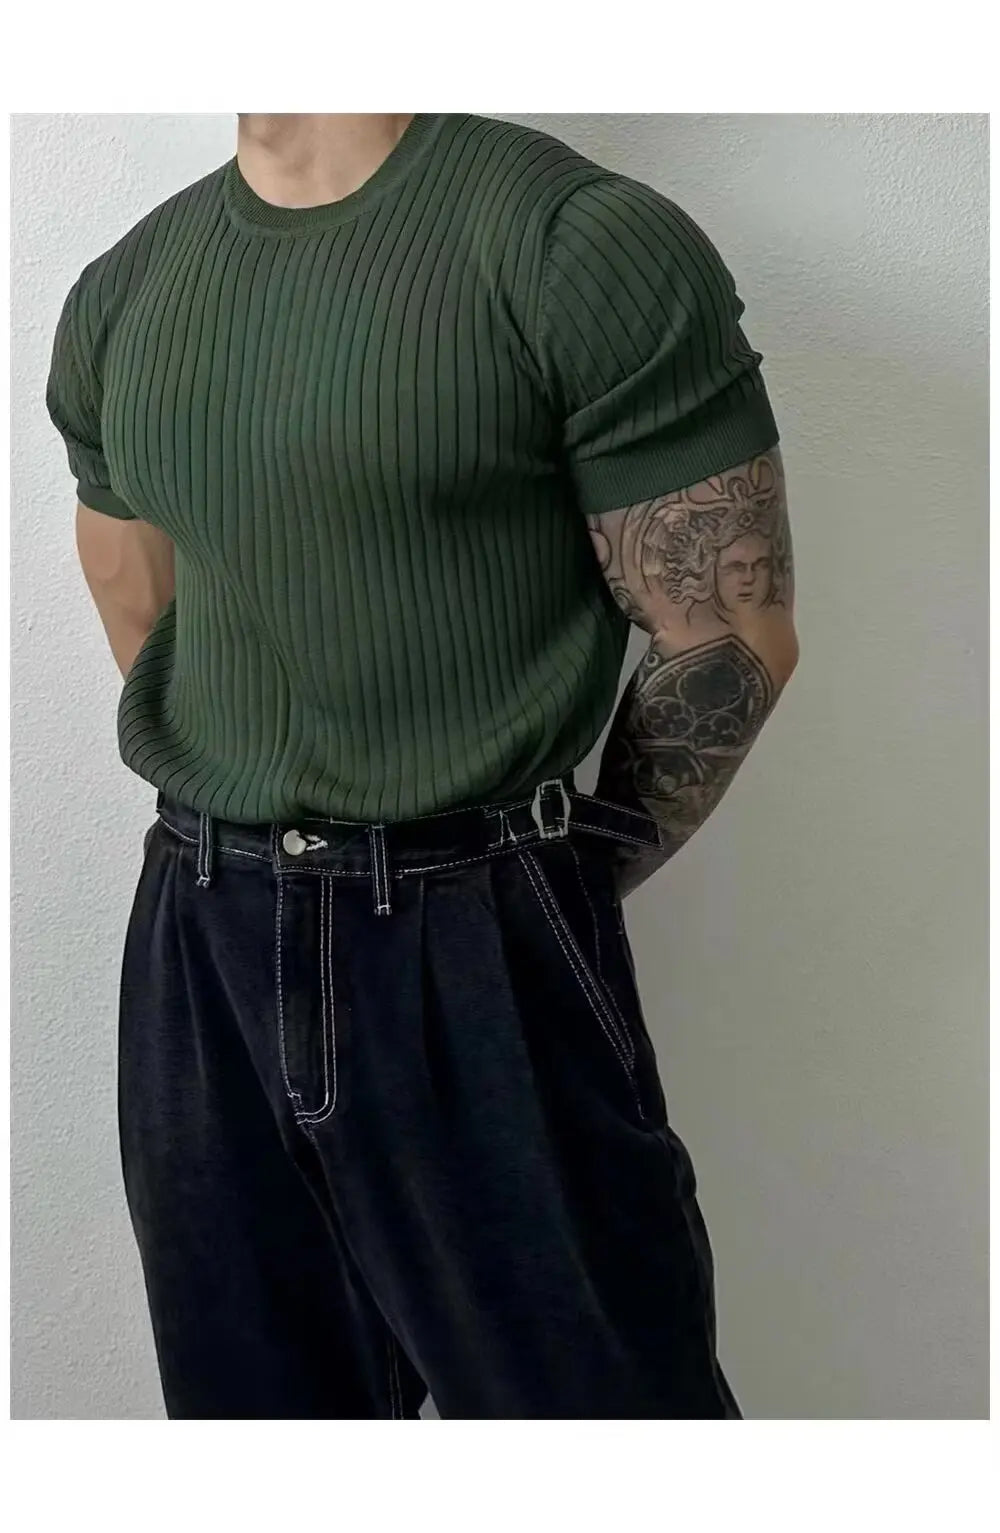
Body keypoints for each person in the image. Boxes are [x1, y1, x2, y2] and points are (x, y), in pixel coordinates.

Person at [45, 111, 798, 1420]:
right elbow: (140, 601)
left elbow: (731, 636)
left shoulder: (578, 246)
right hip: (203, 939)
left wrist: (542, 888)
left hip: (477, 930)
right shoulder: (123, 289)